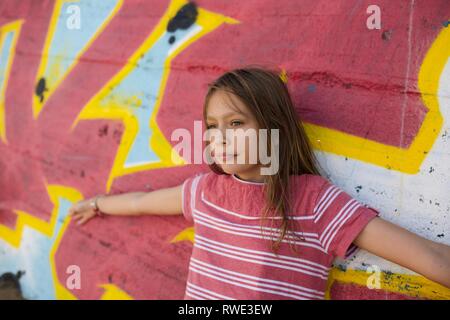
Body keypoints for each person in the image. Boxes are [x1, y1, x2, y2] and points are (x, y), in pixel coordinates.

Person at [69, 67, 450, 299]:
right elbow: (140, 202)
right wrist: (98, 204)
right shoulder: (206, 192)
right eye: (214, 127)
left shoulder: (313, 202)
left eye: (237, 124)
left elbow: (432, 259)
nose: (221, 138)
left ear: (274, 129)